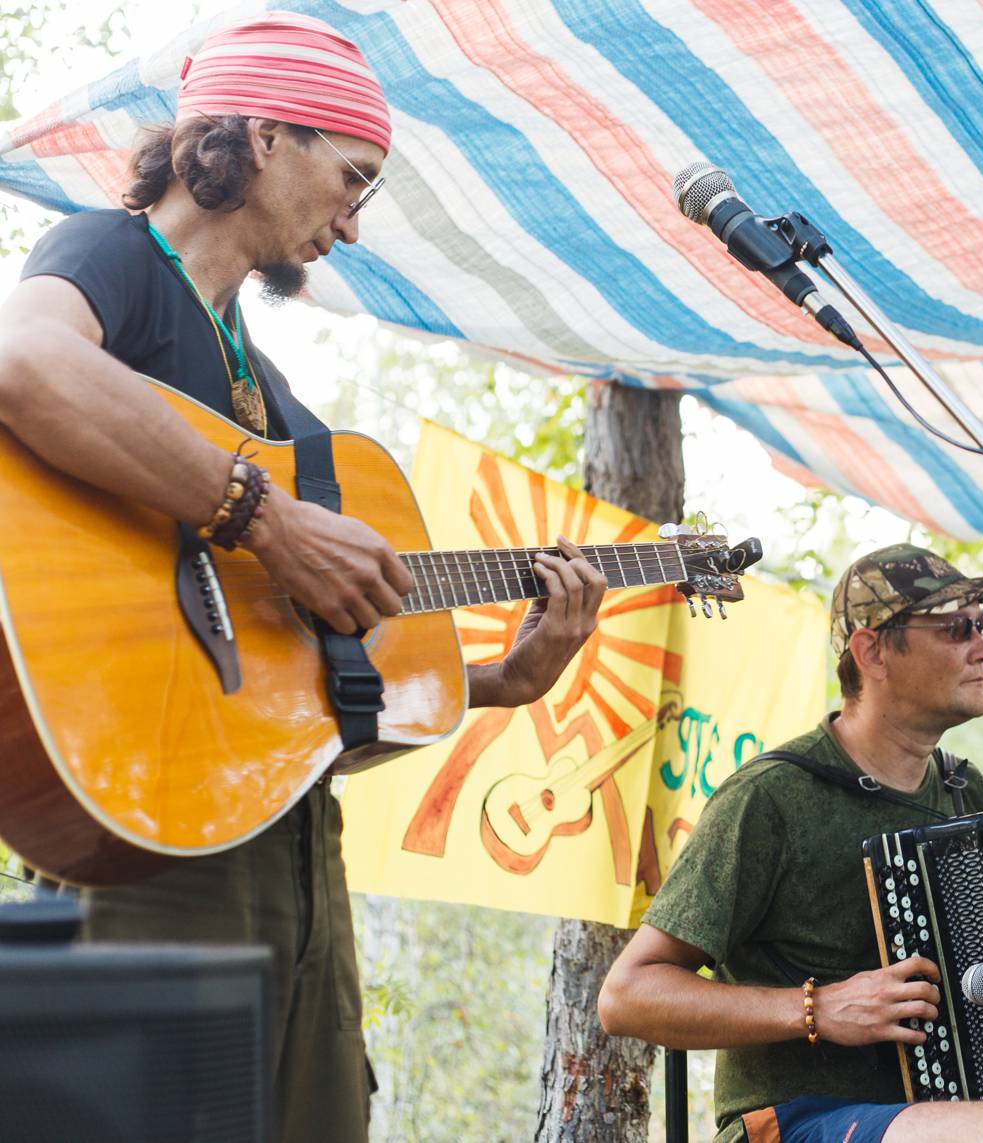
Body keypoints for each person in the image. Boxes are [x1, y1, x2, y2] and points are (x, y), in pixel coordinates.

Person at [0, 13, 606, 1141]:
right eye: (353, 177)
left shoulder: (274, 400)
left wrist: (499, 682)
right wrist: (261, 515)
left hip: (289, 850)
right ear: (264, 135)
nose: (356, 223)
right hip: (153, 835)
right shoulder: (112, 256)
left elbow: (300, 706)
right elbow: (25, 363)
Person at [599, 543, 983, 1143]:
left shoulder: (966, 794)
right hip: (794, 1120)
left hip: (952, 1119)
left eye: (982, 626)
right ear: (872, 650)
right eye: (957, 628)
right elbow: (627, 996)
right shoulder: (772, 798)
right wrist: (819, 1009)